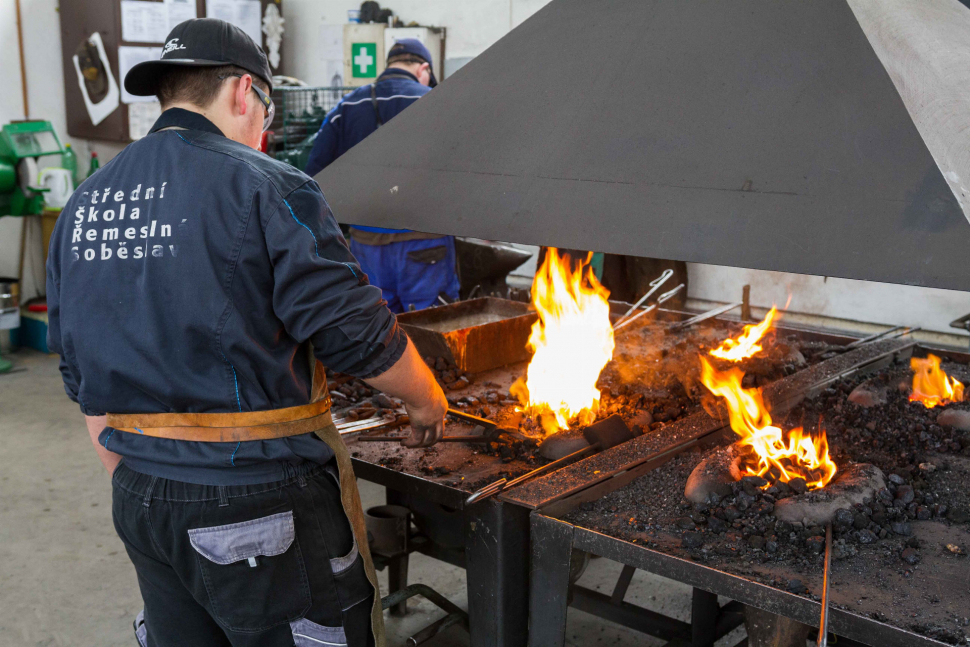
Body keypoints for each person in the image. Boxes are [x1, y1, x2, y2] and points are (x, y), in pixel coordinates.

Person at [46, 18, 447, 647]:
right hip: (259, 504)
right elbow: (355, 330)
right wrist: (425, 397)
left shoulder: (84, 204)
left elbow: (80, 372)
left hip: (140, 499)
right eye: (264, 109)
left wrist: (142, 476)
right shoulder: (266, 185)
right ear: (243, 93)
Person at [304, 39, 460, 313]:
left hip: (366, 246)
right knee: (437, 328)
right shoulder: (436, 102)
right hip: (425, 244)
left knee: (381, 332)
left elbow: (314, 175)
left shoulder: (346, 107)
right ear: (423, 68)